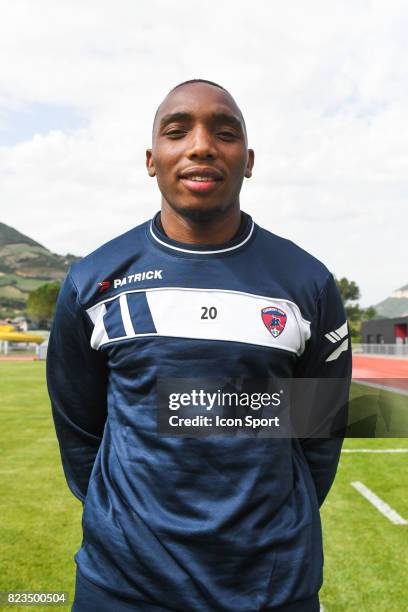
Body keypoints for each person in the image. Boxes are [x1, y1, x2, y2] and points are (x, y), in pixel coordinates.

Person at [47, 79, 352, 611]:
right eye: (177, 130)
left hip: (271, 587)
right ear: (151, 158)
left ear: (248, 160)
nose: (202, 145)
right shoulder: (93, 281)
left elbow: (318, 434)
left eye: (225, 132)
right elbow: (80, 430)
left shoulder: (307, 283)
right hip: (123, 586)